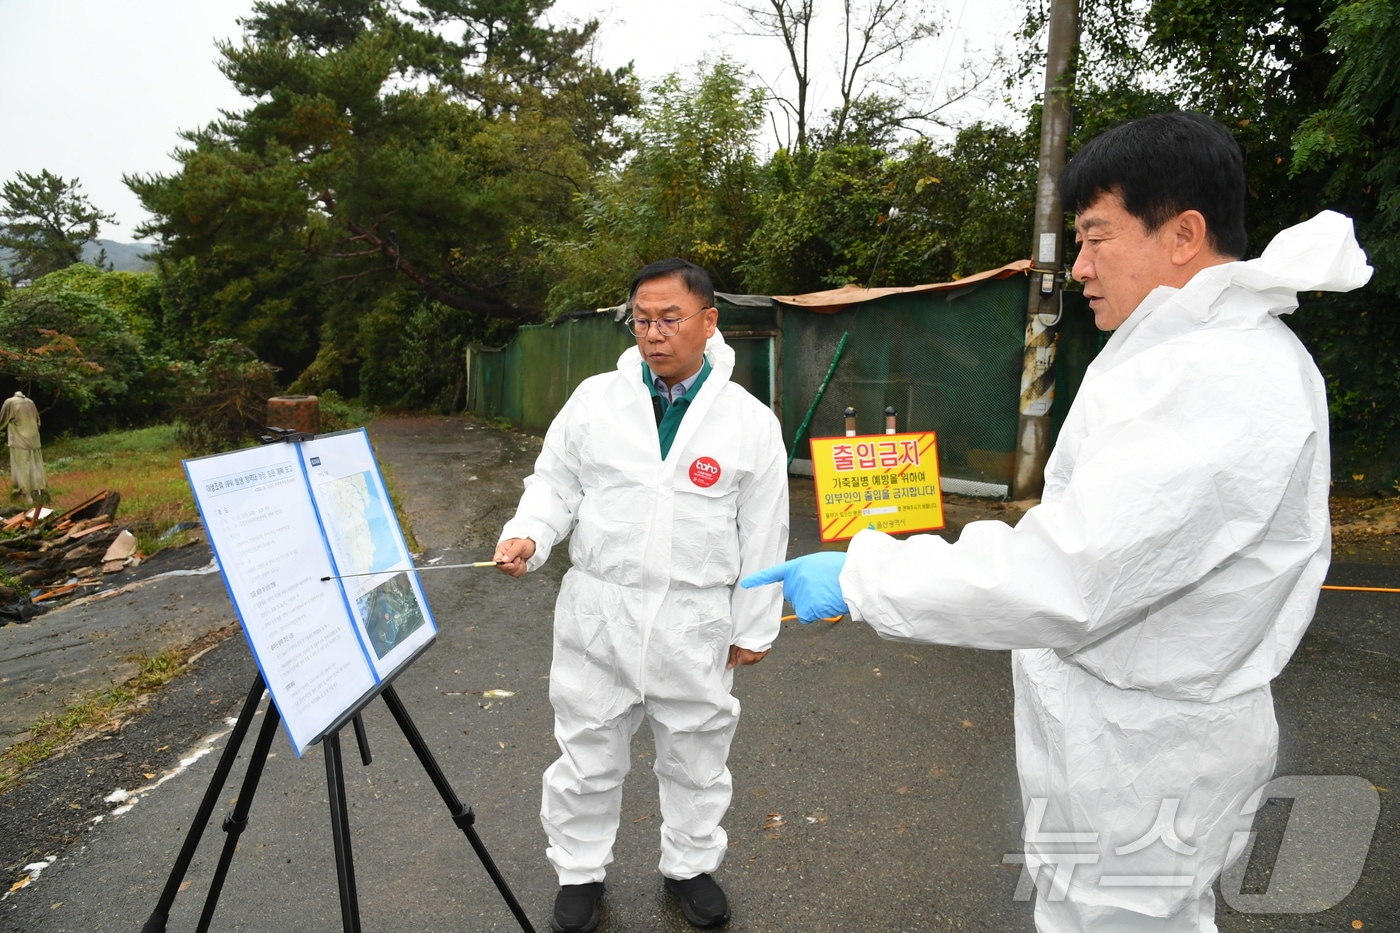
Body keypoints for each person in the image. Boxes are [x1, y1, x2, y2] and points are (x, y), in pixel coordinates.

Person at [743, 112, 1372, 932]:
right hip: (1123, 743)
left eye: (1094, 237)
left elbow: (1073, 573)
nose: (1077, 266)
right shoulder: (1184, 352)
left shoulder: (1222, 376)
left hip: (1148, 755)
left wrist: (867, 574)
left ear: (1183, 234)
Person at [494, 258, 789, 932]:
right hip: (600, 610)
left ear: (709, 321)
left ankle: (689, 865)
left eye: (669, 318)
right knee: (587, 750)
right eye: (643, 320)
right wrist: (530, 534)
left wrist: (756, 623)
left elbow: (765, 531)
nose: (653, 334)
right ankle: (579, 871)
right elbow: (555, 483)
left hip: (696, 619)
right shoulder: (597, 400)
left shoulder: (747, 422)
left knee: (696, 754)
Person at [0, 391, 47, 504]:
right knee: (36, 467)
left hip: (19, 441)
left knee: (22, 468)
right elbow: (38, 422)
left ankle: (27, 495)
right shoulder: (31, 402)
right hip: (34, 439)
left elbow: (2, 420)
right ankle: (39, 492)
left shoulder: (9, 402)